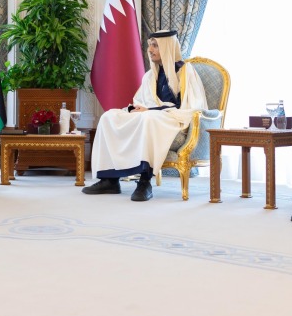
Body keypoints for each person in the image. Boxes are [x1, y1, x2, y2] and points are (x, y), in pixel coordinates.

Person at [83, 30, 207, 202]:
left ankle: (144, 182)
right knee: (109, 117)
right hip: (151, 115)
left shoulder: (186, 71)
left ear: (167, 47)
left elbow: (193, 106)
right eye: (150, 45)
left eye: (155, 45)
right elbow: (140, 101)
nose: (150, 50)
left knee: (149, 119)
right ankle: (109, 180)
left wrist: (150, 110)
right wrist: (133, 109)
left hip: (173, 119)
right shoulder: (150, 75)